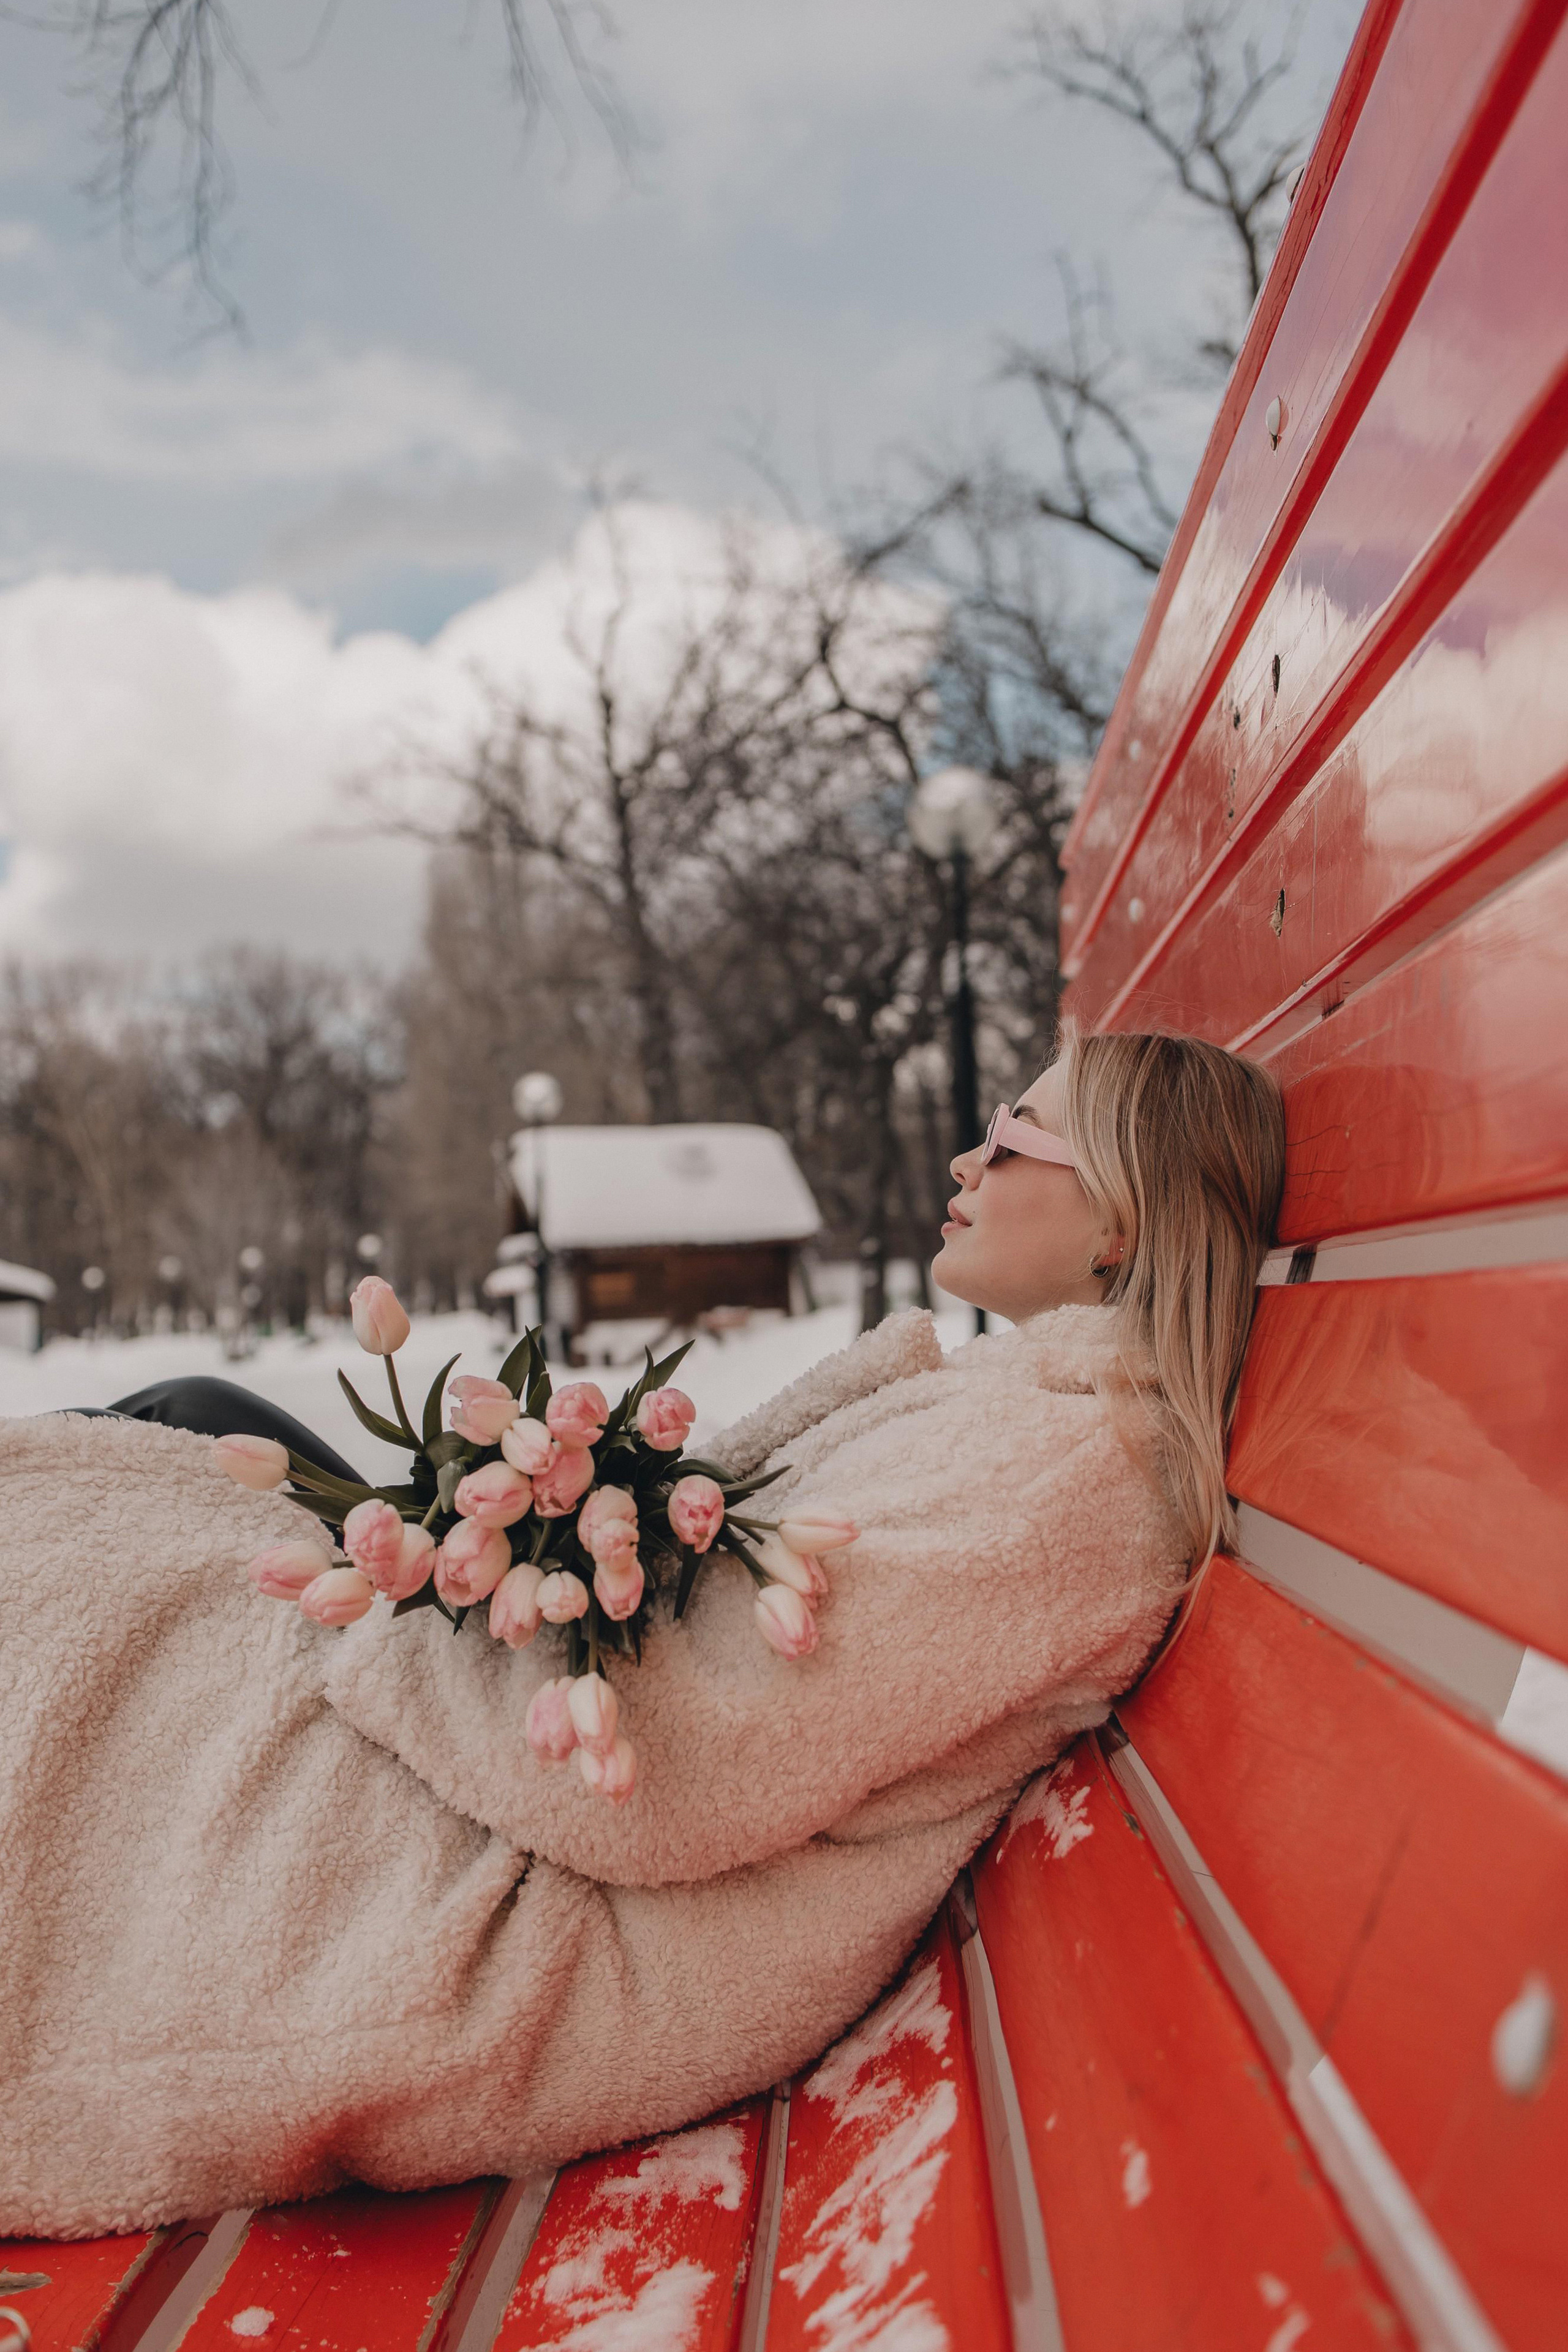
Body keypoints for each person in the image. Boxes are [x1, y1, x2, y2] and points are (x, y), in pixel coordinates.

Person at [0, 1027, 1283, 2237]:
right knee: (176, 1428)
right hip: (520, 1755)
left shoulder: (1057, 1486)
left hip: (545, 1916)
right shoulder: (1025, 1420)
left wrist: (409, 1615)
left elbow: (675, 1763)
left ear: (1114, 1219)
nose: (966, 1154)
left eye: (1012, 1137)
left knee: (97, 1573)